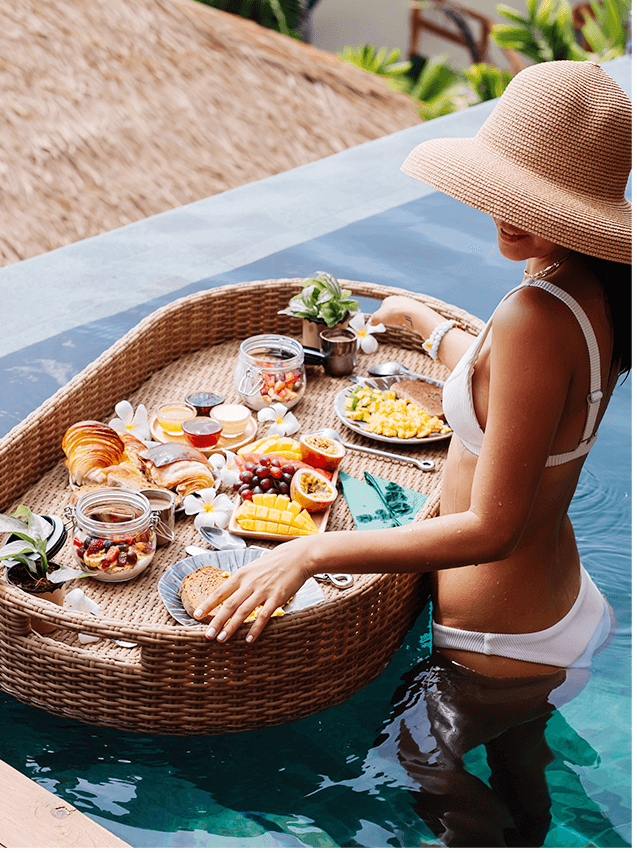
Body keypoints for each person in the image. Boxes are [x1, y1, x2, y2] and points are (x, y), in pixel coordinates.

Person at [194, 61, 631, 843]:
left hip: (500, 644)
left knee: (418, 772)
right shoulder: (592, 294)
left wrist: (309, 557)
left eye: (531, 199)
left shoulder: (536, 312)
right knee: (522, 776)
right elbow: (521, 397)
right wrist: (425, 325)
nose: (508, 212)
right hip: (555, 609)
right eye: (505, 188)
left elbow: (491, 527)